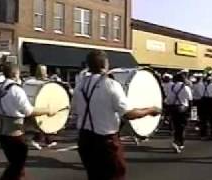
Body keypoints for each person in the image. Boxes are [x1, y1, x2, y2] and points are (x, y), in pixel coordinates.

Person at [71, 50, 160, 180]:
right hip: (105, 142)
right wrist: (150, 110)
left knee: (94, 175)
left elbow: (74, 109)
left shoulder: (80, 86)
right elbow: (128, 114)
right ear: (105, 64)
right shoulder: (111, 85)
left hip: (85, 139)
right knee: (115, 175)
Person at [0, 64, 55, 180]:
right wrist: (47, 110)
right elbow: (28, 111)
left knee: (15, 162)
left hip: (0, 130)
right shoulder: (16, 89)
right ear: (15, 74)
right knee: (17, 163)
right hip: (14, 132)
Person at [24, 65, 58, 150]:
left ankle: (48, 141)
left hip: (31, 105)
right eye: (44, 71)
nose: (45, 73)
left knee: (43, 125)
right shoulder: (43, 83)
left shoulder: (29, 81)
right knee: (42, 125)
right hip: (39, 107)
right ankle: (34, 140)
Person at [165, 72, 193, 153]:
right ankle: (179, 143)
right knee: (182, 126)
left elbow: (169, 99)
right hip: (183, 108)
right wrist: (190, 111)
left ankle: (176, 140)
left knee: (176, 126)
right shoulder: (186, 87)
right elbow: (190, 99)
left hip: (174, 108)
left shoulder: (172, 87)